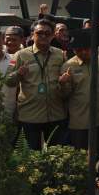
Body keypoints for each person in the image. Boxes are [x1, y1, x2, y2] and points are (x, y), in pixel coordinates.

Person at [5, 19, 68, 150]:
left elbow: (66, 80)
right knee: (30, 158)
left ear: (52, 35)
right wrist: (18, 74)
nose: (44, 36)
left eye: (47, 33)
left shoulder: (60, 54)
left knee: (56, 156)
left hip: (56, 114)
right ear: (32, 34)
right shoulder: (20, 55)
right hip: (30, 116)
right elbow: (8, 81)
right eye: (40, 33)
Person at [59, 39, 99, 190]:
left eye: (86, 49)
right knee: (80, 152)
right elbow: (64, 95)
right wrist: (63, 83)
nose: (84, 52)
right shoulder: (68, 66)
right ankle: (82, 180)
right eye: (79, 50)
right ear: (74, 50)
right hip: (78, 117)